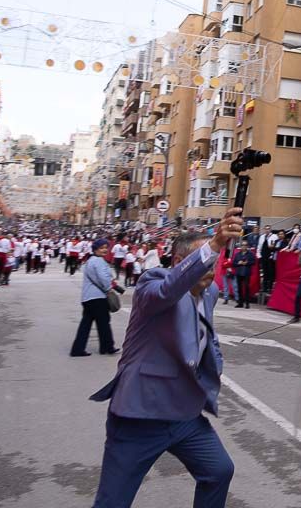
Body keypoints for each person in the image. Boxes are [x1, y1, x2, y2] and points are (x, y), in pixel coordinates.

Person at [88, 211, 242, 508]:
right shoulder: (153, 283)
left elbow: (206, 336)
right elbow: (169, 290)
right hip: (140, 415)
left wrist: (216, 364)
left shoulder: (210, 293)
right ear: (179, 262)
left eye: (214, 259)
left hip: (184, 416)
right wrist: (215, 243)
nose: (211, 266)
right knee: (112, 501)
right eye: (205, 258)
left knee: (219, 470)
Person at [70, 239, 121, 357]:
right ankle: (107, 347)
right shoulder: (98, 261)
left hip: (88, 297)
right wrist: (109, 288)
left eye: (106, 247)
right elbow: (103, 278)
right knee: (104, 322)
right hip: (98, 297)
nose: (104, 250)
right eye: (101, 247)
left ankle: (78, 349)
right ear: (95, 249)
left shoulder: (90, 261)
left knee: (86, 324)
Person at [231, 241, 255, 309]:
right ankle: (240, 303)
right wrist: (238, 263)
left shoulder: (250, 254)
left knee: (247, 288)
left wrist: (247, 263)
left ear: (247, 246)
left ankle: (247, 303)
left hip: (246, 273)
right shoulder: (237, 254)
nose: (244, 246)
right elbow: (233, 263)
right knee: (239, 288)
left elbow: (253, 262)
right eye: (242, 245)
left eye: (245, 245)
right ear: (241, 246)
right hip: (238, 273)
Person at [258, 227, 280, 293]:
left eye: (268, 229)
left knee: (270, 272)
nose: (267, 230)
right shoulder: (262, 237)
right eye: (266, 229)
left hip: (270, 257)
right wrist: (259, 255)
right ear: (264, 230)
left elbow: (276, 246)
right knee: (264, 272)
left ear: (270, 230)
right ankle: (264, 288)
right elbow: (259, 247)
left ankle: (270, 288)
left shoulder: (274, 236)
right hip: (263, 256)